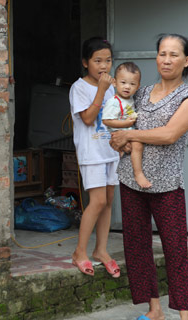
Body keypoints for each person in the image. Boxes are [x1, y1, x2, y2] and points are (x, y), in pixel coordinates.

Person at [110, 33, 188, 320]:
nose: (166, 60)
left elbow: (169, 135)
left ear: (186, 60)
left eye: (174, 54)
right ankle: (154, 310)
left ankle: (184, 316)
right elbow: (118, 124)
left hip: (167, 184)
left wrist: (130, 134)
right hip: (130, 179)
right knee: (137, 247)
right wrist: (118, 138)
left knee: (175, 251)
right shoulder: (139, 92)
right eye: (162, 53)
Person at [69, 37, 121, 277]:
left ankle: (101, 250)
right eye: (97, 60)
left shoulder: (111, 87)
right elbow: (88, 119)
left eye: (108, 60)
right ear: (85, 62)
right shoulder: (79, 88)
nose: (103, 66)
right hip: (91, 153)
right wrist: (100, 89)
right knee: (97, 201)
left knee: (109, 201)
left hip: (110, 151)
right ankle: (80, 252)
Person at [102, 62, 151, 189]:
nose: (127, 87)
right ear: (114, 82)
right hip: (118, 132)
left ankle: (128, 173)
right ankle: (138, 173)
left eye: (132, 84)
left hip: (127, 131)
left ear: (138, 86)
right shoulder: (113, 102)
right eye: (123, 82)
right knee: (137, 145)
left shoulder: (130, 99)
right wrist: (126, 123)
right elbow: (106, 120)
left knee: (130, 150)